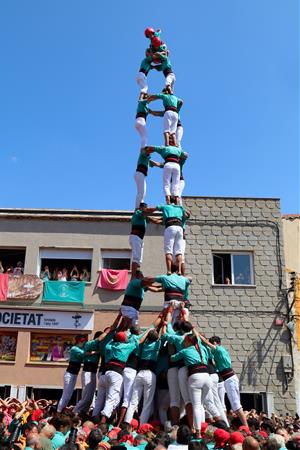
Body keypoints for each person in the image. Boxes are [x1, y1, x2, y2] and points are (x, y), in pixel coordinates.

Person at [170, 328, 221, 438]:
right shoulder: (201, 349)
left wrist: (172, 350)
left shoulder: (186, 350)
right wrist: (194, 330)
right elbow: (198, 339)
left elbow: (173, 358)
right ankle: (205, 429)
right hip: (207, 377)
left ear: (188, 341)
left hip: (196, 376)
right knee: (201, 405)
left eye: (185, 341)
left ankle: (198, 433)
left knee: (197, 406)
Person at [199, 335, 248, 427]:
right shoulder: (218, 353)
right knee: (234, 405)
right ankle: (244, 426)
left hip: (230, 378)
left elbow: (207, 343)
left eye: (212, 343)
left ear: (216, 343)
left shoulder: (219, 349)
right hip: (227, 379)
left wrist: (198, 335)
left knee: (236, 405)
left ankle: (246, 427)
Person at [124, 324, 162, 425]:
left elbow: (143, 337)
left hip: (139, 374)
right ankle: (141, 425)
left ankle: (126, 423)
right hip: (150, 374)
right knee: (147, 403)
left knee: (133, 402)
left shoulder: (143, 344)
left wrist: (148, 330)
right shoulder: (158, 344)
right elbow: (162, 335)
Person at [145, 201, 190, 274]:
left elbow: (153, 209)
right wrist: (182, 208)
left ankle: (169, 271)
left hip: (170, 227)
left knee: (168, 251)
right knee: (179, 253)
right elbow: (188, 214)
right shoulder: (180, 209)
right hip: (180, 229)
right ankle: (179, 271)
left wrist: (145, 211)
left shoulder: (166, 207)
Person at [129, 202, 161, 277]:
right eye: (145, 208)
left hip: (139, 239)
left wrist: (167, 218)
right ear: (141, 208)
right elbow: (146, 213)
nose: (146, 210)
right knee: (136, 258)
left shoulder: (144, 218)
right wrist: (157, 207)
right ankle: (133, 277)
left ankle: (137, 275)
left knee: (139, 260)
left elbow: (156, 221)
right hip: (135, 237)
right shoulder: (138, 212)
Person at [57, 335, 88, 413]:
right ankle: (58, 412)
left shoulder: (79, 348)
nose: (84, 343)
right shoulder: (74, 348)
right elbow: (85, 353)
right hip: (69, 374)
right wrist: (94, 352)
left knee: (69, 396)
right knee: (66, 396)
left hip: (74, 375)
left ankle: (61, 411)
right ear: (79, 341)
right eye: (82, 341)